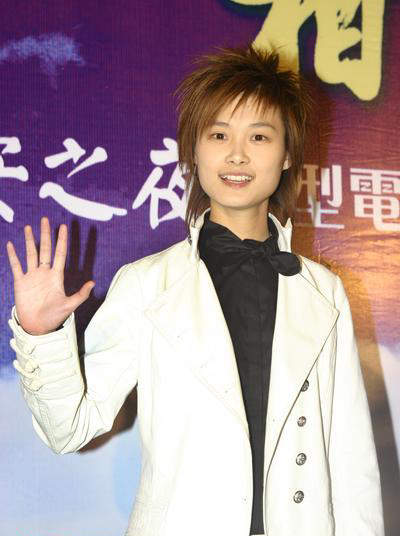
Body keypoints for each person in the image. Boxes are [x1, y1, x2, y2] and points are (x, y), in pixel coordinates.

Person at [7, 46, 383, 536]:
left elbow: (352, 465)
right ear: (194, 150)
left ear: (288, 154)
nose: (237, 154)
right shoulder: (147, 285)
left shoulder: (324, 292)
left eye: (259, 136)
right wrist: (40, 335)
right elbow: (69, 428)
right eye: (219, 134)